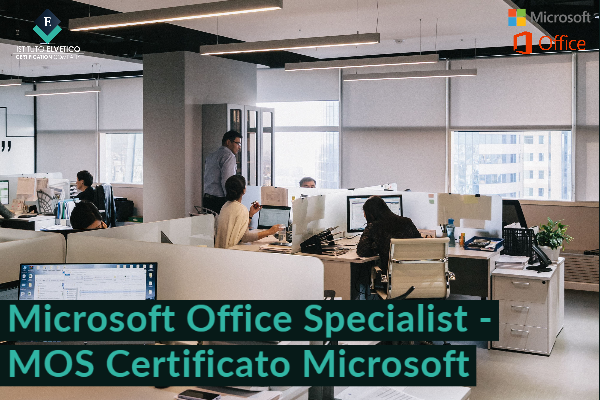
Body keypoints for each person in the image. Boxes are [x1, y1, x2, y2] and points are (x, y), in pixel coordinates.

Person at [356, 196, 421, 274]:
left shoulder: (374, 226)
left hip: (391, 275)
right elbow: (421, 244)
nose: (364, 216)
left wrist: (375, 247)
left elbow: (362, 251)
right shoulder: (407, 222)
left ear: (371, 214)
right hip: (415, 273)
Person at [215, 175, 281, 249]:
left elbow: (239, 231)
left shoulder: (225, 206)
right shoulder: (241, 209)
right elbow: (245, 237)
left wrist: (250, 215)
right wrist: (270, 232)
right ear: (244, 190)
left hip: (221, 251)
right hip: (232, 251)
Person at [203, 130, 243, 214]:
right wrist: (232, 202)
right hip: (219, 202)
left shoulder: (211, 155)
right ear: (228, 142)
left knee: (209, 222)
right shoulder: (228, 156)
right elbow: (228, 182)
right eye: (237, 143)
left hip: (207, 200)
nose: (239, 147)